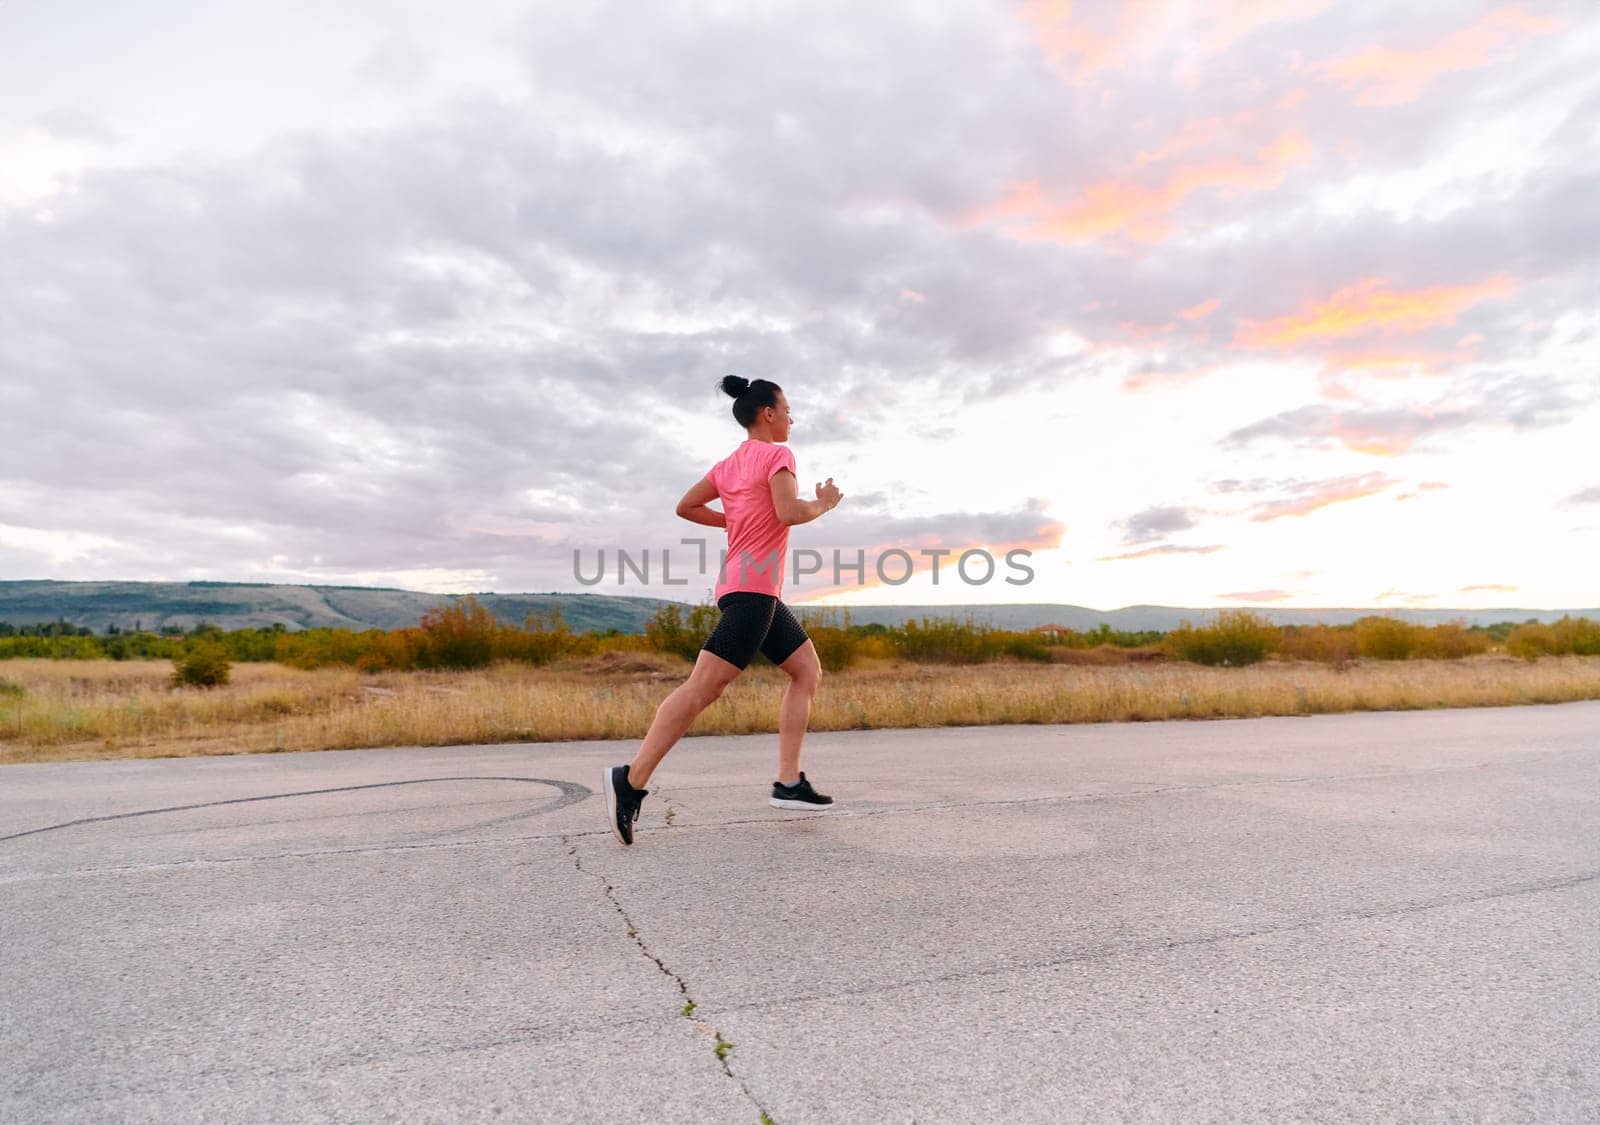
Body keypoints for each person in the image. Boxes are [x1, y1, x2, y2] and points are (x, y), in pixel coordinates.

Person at [604, 376, 845, 845]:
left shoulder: (728, 464)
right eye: (788, 409)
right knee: (701, 690)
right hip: (753, 593)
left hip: (753, 591)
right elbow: (789, 513)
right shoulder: (778, 454)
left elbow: (686, 506)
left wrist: (732, 518)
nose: (792, 418)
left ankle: (789, 783)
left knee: (806, 672)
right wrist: (825, 503)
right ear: (768, 413)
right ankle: (630, 781)